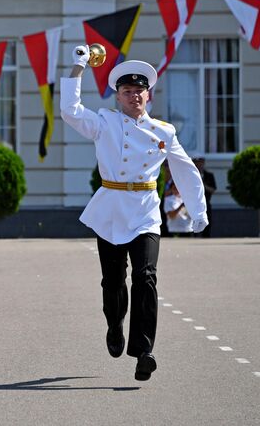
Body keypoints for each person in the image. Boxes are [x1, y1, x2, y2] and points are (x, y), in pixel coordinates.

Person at [60, 46, 207, 381]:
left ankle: (144, 351)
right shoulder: (104, 123)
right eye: (127, 91)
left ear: (148, 94)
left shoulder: (163, 131)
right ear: (119, 96)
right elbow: (70, 110)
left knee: (146, 277)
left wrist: (199, 210)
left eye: (139, 91)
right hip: (111, 210)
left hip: (144, 213)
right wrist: (78, 67)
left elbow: (184, 170)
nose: (134, 96)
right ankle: (115, 325)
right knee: (113, 282)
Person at [192, 157, 216, 237]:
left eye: (200, 162)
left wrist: (203, 185)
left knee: (207, 224)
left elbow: (213, 190)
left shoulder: (209, 175)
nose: (198, 164)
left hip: (206, 203)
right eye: (196, 162)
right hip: (194, 203)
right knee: (193, 225)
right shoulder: (191, 175)